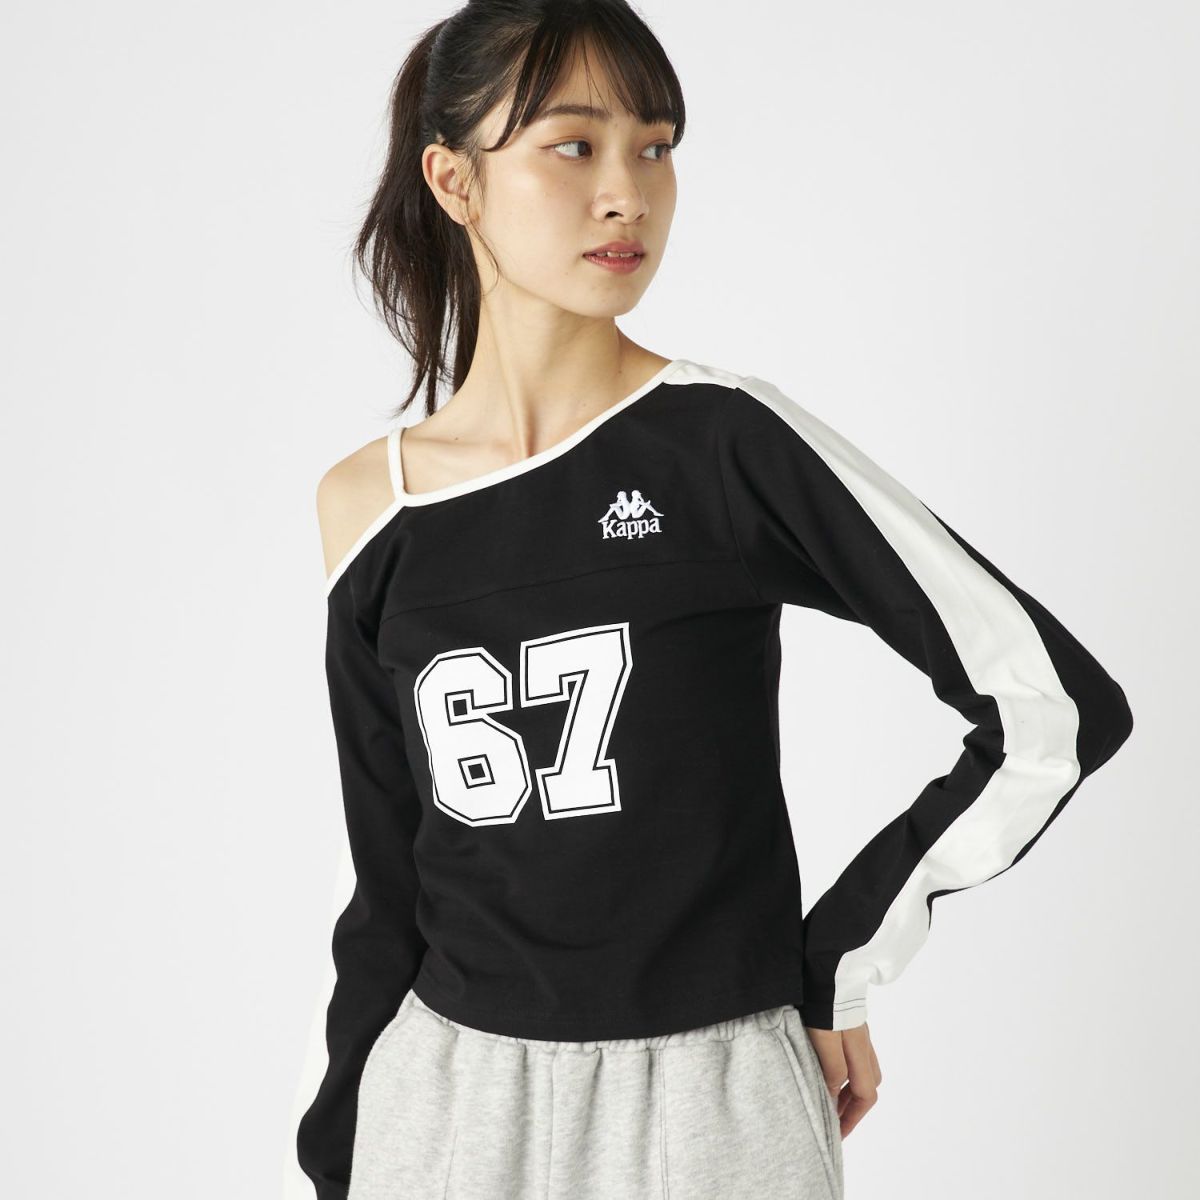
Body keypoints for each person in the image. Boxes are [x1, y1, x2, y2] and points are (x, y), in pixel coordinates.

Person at [292, 3, 1134, 1198]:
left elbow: (1053, 707)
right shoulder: (369, 507)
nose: (627, 192)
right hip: (447, 1112)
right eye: (574, 145)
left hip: (712, 1108)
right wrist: (337, 1157)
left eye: (656, 146)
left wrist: (844, 957)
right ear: (455, 180)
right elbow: (389, 887)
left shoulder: (722, 446)